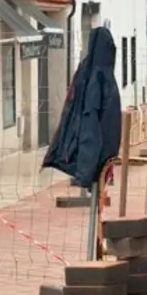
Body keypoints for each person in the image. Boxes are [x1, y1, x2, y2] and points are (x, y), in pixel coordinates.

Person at [43, 27, 122, 189]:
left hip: (96, 160)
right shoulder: (105, 78)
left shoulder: (95, 80)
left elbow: (90, 126)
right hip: (104, 157)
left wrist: (84, 174)